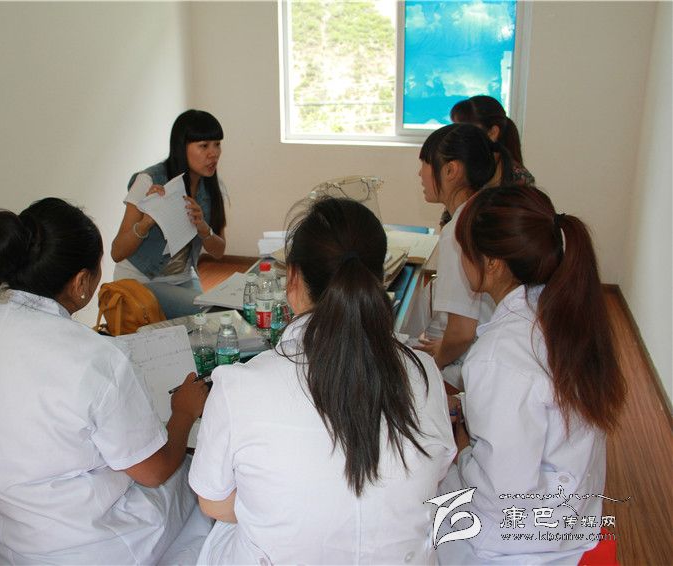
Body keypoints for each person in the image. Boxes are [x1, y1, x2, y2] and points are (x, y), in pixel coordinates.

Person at [0, 197, 211, 564]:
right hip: (75, 548)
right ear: (81, 282)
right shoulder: (93, 357)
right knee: (194, 475)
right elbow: (155, 471)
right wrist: (184, 413)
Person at [188, 197, 456, 564]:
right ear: (378, 278)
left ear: (293, 278)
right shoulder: (423, 373)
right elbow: (435, 475)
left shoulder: (240, 387)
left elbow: (213, 502)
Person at [436, 186, 626, 564]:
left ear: (493, 263)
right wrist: (470, 408)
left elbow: (501, 492)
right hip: (573, 516)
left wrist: (461, 446)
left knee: (415, 497)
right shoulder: (560, 313)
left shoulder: (499, 355)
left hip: (518, 540)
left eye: (464, 251)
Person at [408, 123, 511, 392]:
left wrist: (435, 363)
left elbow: (462, 332)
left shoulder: (458, 230)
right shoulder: (482, 211)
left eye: (425, 163)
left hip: (472, 363)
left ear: (451, 170)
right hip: (489, 348)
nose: (420, 173)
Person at [111, 109, 227, 319]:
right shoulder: (149, 180)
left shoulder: (212, 187)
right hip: (140, 281)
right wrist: (147, 222)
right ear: (182, 147)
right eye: (204, 146)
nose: (214, 153)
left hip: (183, 278)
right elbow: (117, 252)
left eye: (217, 144)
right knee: (210, 313)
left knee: (210, 319)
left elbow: (219, 251)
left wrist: (203, 228)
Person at [450, 95, 535, 187]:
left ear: (493, 133)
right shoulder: (465, 169)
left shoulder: (519, 178)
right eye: (455, 130)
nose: (457, 136)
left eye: (465, 130)